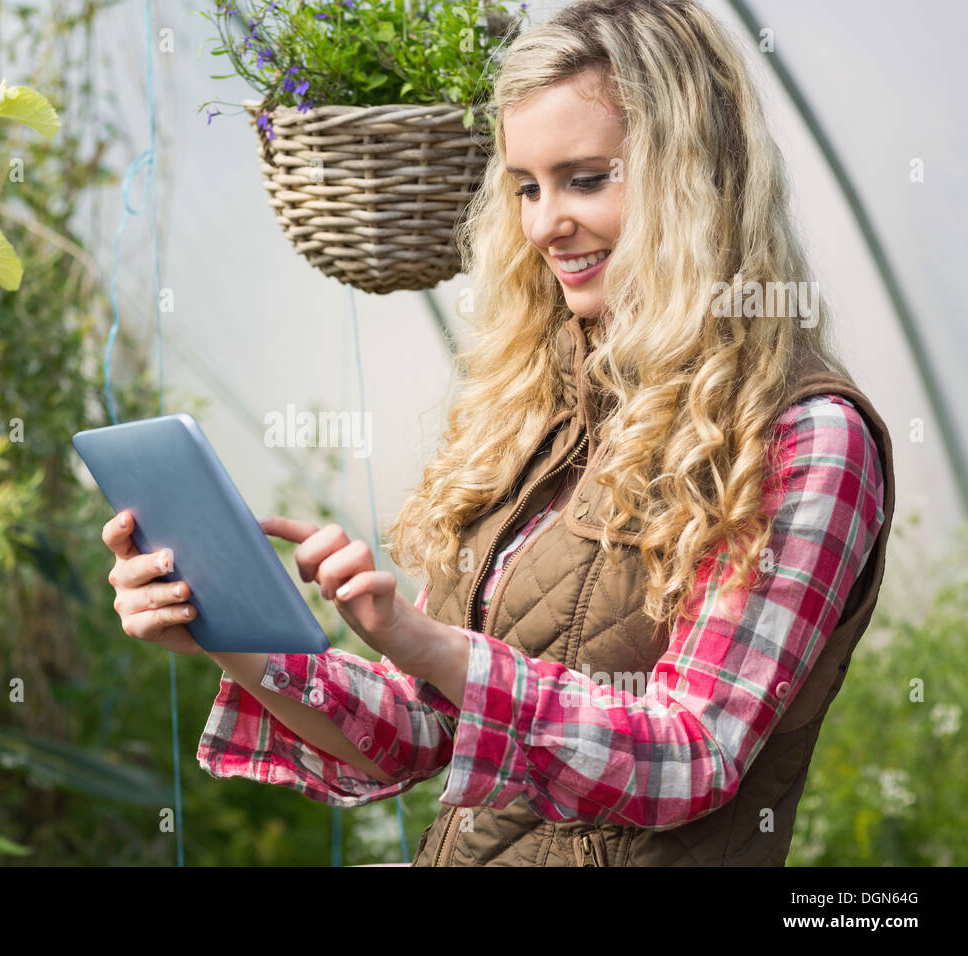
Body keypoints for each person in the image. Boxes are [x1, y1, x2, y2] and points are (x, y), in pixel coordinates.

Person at [102, 0, 894, 866]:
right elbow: (420, 732)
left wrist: (434, 646)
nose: (545, 223)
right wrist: (242, 636)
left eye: (586, 179)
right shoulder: (545, 405)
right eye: (526, 185)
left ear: (694, 179)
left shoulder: (803, 436)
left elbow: (688, 757)